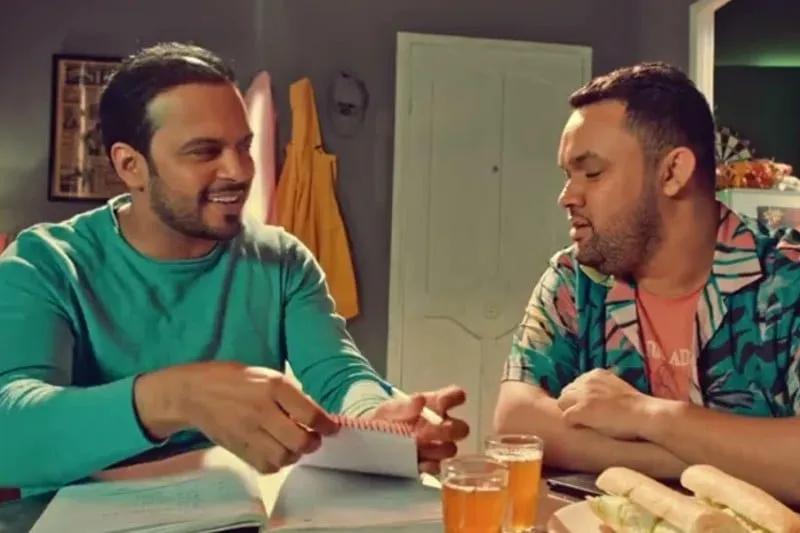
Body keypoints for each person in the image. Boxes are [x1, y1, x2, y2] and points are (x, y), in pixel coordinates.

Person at [0, 42, 468, 493]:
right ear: (130, 166)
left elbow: (340, 376)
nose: (240, 171)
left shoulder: (281, 259)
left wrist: (379, 419)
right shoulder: (44, 263)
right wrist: (176, 397)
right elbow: (9, 429)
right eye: (204, 151)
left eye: (243, 146)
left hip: (242, 513)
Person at [493, 62, 800, 503]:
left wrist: (644, 415)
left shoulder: (787, 281)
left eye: (592, 173)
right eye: (567, 175)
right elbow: (517, 421)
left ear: (672, 172)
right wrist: (690, 459)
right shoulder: (575, 279)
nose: (567, 196)